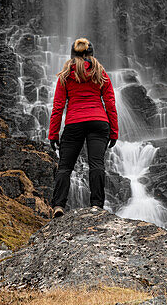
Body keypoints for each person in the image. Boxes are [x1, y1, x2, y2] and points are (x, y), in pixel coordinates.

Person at [47, 37, 119, 217]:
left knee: (65, 167)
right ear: (92, 54)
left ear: (72, 55)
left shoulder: (66, 75)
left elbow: (58, 106)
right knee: (96, 164)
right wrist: (114, 131)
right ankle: (96, 205)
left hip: (74, 123)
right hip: (99, 122)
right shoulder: (100, 73)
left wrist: (53, 134)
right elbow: (110, 103)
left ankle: (59, 206)